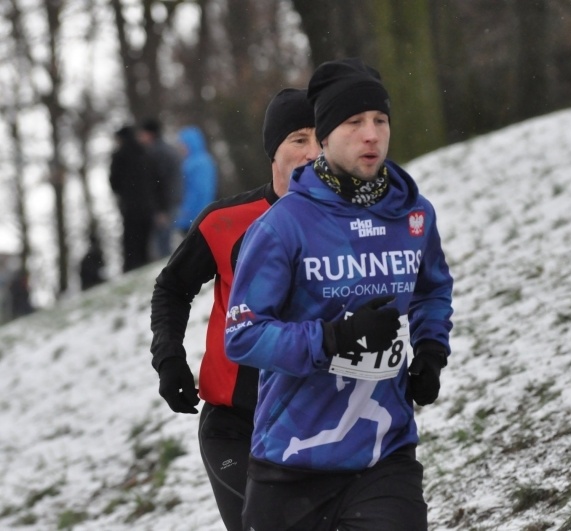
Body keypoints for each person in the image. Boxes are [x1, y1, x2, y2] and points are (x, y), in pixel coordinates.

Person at [224, 58, 454, 531]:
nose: (371, 134)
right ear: (324, 137)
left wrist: (431, 350)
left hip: (383, 455)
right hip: (292, 459)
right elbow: (243, 336)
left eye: (380, 121)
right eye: (354, 123)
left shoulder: (413, 216)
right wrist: (332, 338)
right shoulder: (283, 226)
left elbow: (432, 289)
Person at [149, 89, 317, 531]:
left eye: (322, 138)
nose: (313, 152)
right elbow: (171, 287)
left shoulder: (350, 224)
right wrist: (169, 358)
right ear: (274, 150)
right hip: (236, 427)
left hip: (320, 421)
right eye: (299, 139)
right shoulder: (225, 221)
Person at [109, 125, 155, 272]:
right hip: (146, 204)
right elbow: (153, 178)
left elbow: (113, 181)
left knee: (131, 240)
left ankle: (131, 267)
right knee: (144, 240)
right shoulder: (144, 152)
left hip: (130, 205)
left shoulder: (119, 155)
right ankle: (145, 263)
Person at [138, 118, 183, 259]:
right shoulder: (169, 150)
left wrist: (160, 210)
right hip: (174, 200)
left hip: (166, 205)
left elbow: (160, 183)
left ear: (149, 134)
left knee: (162, 248)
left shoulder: (155, 153)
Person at [176, 126, 218, 235]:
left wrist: (188, 213)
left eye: (183, 144)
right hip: (196, 216)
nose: (181, 147)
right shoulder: (195, 161)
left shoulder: (198, 163)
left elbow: (201, 191)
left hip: (196, 217)